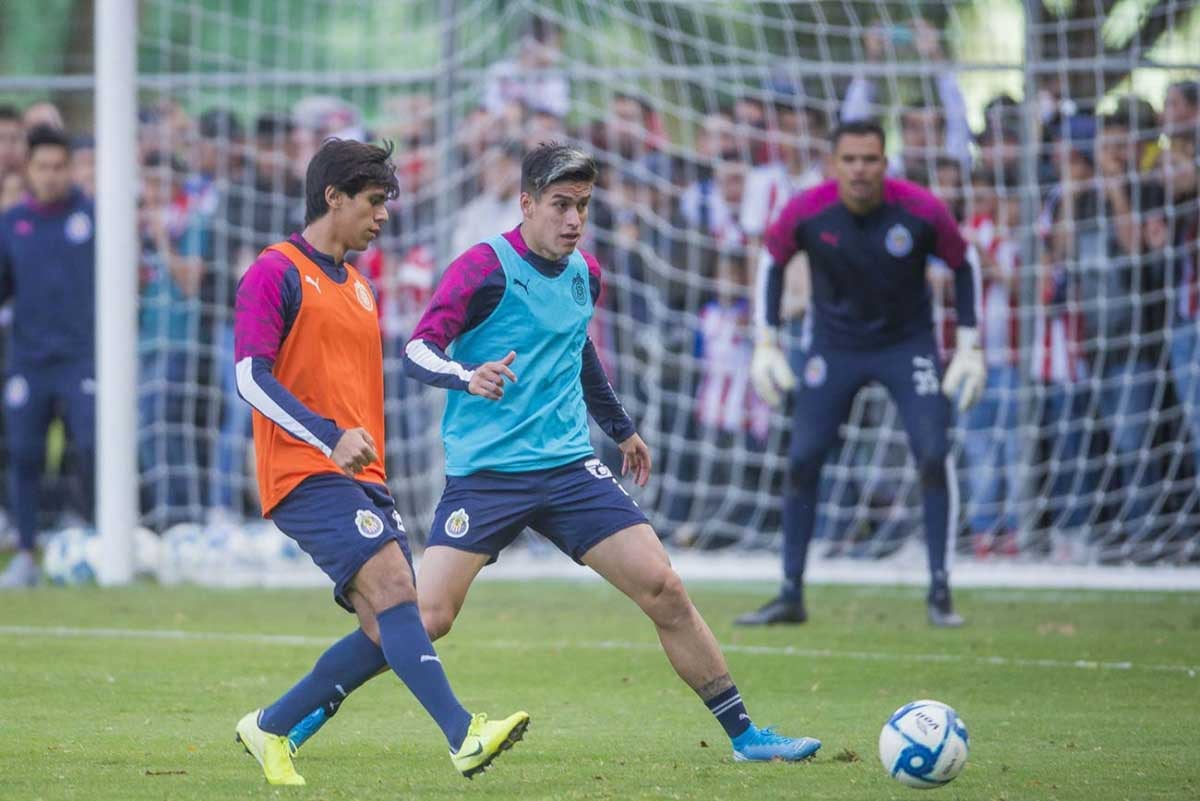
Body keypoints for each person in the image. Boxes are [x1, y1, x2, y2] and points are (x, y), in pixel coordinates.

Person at [283, 142, 822, 764]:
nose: (573, 219)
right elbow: (417, 351)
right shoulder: (482, 267)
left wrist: (620, 427)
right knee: (420, 616)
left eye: (583, 206)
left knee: (664, 588)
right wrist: (468, 375)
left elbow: (577, 346)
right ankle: (295, 717)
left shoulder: (584, 273)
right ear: (527, 204)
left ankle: (746, 736)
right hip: (487, 476)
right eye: (561, 205)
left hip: (569, 470)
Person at [230, 138, 528, 786]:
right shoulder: (274, 270)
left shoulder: (360, 286)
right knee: (398, 591)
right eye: (372, 201)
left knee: (388, 625)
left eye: (387, 202)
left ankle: (272, 725)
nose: (384, 215)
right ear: (332, 197)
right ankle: (464, 734)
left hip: (361, 477)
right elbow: (251, 377)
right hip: (305, 472)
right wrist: (328, 436)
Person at [738, 119, 984, 628]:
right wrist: (765, 341)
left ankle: (940, 592)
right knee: (803, 460)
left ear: (885, 162)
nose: (859, 169)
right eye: (849, 159)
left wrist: (969, 345)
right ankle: (790, 594)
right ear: (833, 163)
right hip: (834, 346)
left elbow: (964, 262)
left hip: (907, 344)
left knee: (934, 455)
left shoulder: (920, 208)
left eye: (870, 159)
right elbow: (771, 260)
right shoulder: (808, 209)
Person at [0, 125, 96, 588]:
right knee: (23, 454)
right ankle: (25, 552)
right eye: (44, 167)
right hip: (30, 362)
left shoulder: (94, 217)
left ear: (71, 169)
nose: (53, 175)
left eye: (60, 167)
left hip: (83, 359)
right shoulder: (10, 224)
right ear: (29, 170)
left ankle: (94, 538)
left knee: (94, 446)